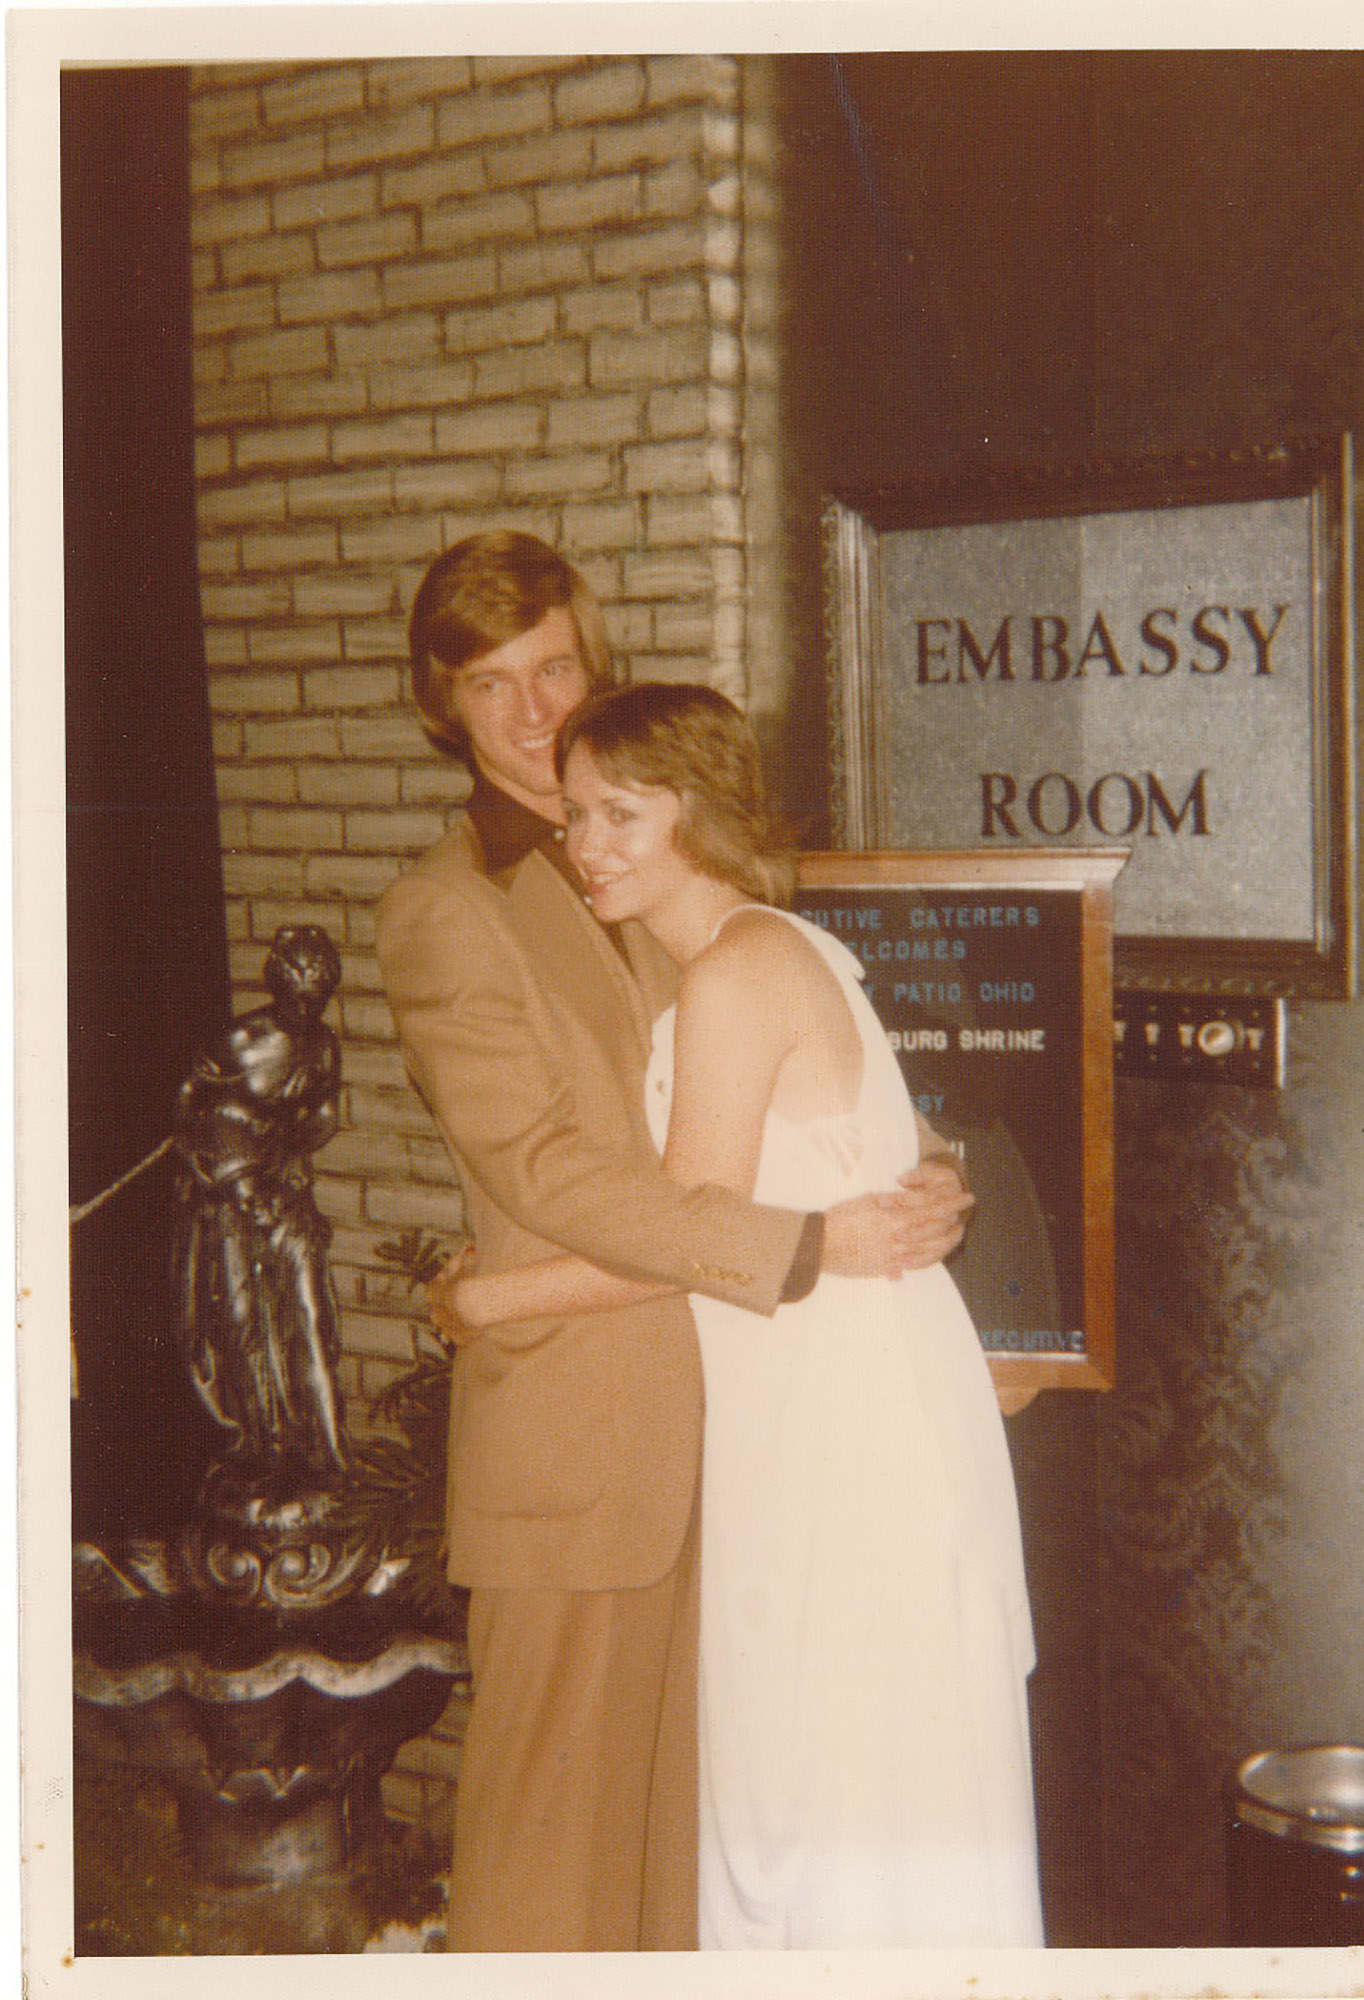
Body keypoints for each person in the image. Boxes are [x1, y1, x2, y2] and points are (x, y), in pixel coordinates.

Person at [375, 533, 971, 1953]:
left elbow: (804, 1065)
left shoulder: (667, 855)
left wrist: (922, 1166)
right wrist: (809, 1242)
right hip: (589, 1449)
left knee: (700, 1885)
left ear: (599, 662)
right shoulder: (444, 914)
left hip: (762, 1443)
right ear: (441, 707)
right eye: (488, 684)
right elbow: (555, 1170)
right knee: (547, 1874)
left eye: (556, 667)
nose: (530, 712)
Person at [172, 923, 349, 1482]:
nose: (306, 1009)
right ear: (278, 986)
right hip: (229, 1193)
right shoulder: (242, 1040)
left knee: (301, 1312)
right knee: (241, 1315)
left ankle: (311, 1443)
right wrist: (209, 1161)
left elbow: (323, 1116)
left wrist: (285, 1153)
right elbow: (188, 1101)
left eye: (316, 1000)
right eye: (297, 997)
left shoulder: (323, 1045)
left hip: (281, 1187)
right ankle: (257, 1441)